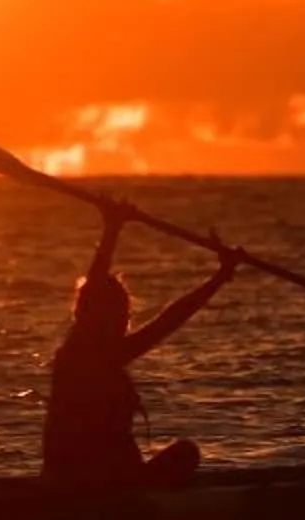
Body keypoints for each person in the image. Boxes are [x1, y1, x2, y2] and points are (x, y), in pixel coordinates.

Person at [42, 197, 245, 488]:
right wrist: (111, 230)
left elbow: (171, 319)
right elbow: (94, 287)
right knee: (185, 453)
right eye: (116, 314)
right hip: (87, 485)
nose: (122, 322)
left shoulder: (114, 354)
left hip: (113, 482)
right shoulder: (77, 354)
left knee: (185, 453)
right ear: (94, 315)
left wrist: (219, 278)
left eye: (124, 314)